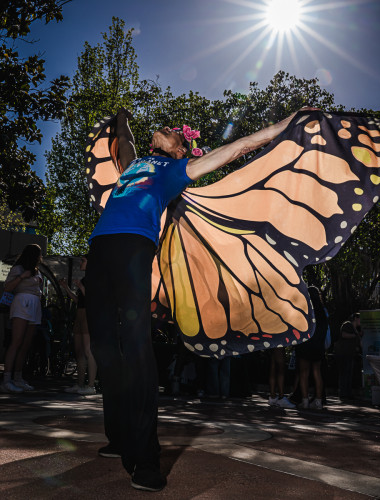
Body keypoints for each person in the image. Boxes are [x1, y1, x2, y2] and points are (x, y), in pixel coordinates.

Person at [85, 106, 312, 492]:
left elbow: (240, 147)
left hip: (133, 251)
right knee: (105, 348)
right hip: (99, 251)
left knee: (136, 351)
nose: (169, 128)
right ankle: (120, 438)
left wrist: (289, 123)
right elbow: (123, 142)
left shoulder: (175, 171)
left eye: (175, 132)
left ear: (180, 151)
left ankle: (145, 460)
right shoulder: (135, 165)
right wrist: (121, 119)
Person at [0, 244, 43, 393]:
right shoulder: (18, 269)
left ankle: (18, 378)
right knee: (16, 342)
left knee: (25, 344)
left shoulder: (37, 271)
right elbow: (7, 287)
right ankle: (6, 380)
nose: (40, 257)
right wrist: (21, 277)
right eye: (39, 254)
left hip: (34, 305)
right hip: (22, 303)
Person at [59, 256, 97, 395]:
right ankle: (79, 384)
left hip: (88, 315)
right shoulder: (84, 279)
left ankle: (91, 385)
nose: (81, 263)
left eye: (83, 260)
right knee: (79, 351)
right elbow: (77, 300)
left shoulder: (95, 278)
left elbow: (94, 300)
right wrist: (66, 288)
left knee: (88, 350)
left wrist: (81, 287)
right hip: (79, 314)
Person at [295, 286, 329, 410]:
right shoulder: (322, 312)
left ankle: (304, 401)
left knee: (304, 373)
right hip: (318, 346)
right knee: (317, 372)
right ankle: (318, 401)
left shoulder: (304, 310)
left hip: (305, 344)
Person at [334, 312, 363, 401]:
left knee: (348, 374)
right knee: (344, 373)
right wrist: (355, 335)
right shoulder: (347, 325)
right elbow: (343, 334)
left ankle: (347, 392)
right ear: (355, 318)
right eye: (359, 319)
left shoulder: (354, 328)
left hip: (350, 354)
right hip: (344, 354)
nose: (360, 321)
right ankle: (343, 393)